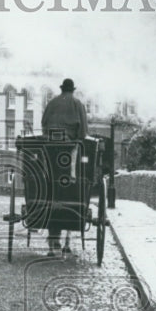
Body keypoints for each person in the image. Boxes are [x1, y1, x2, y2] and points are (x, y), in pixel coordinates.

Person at [40, 78, 89, 255]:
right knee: (69, 177)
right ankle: (70, 180)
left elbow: (44, 124)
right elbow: (83, 132)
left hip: (50, 148)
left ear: (62, 89)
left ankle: (53, 241)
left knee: (51, 178)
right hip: (68, 148)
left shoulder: (52, 103)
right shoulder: (78, 104)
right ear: (72, 90)